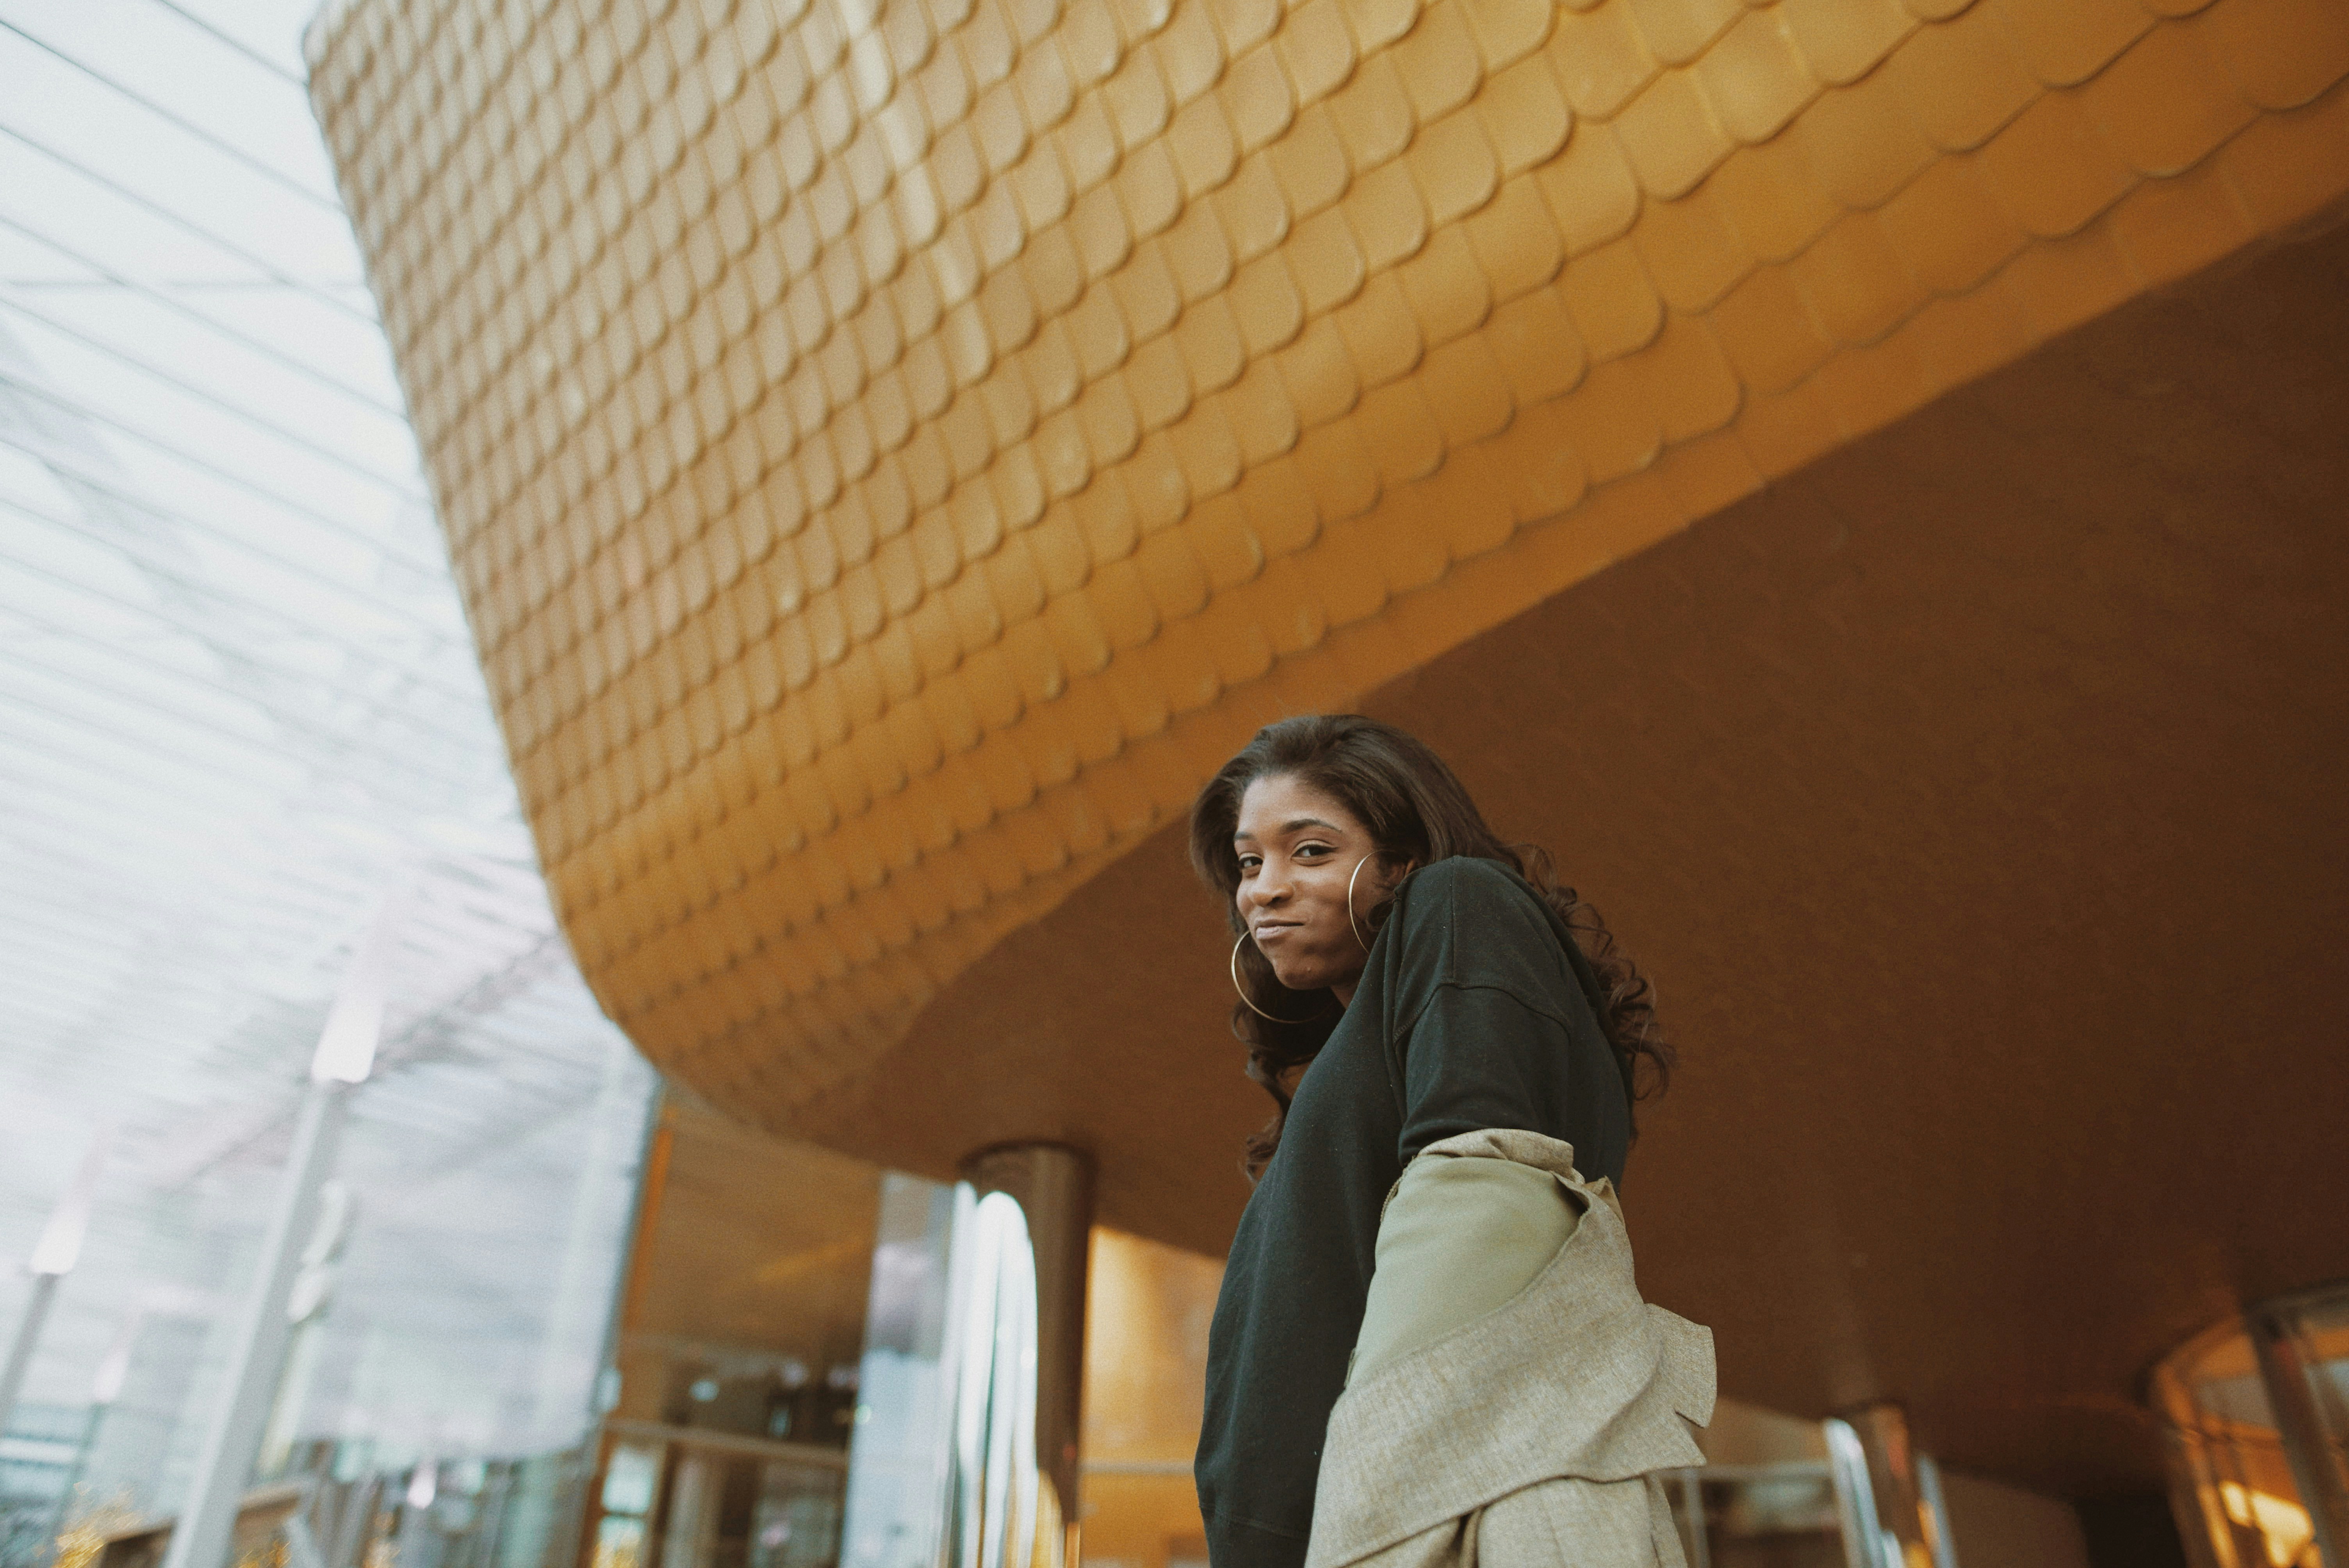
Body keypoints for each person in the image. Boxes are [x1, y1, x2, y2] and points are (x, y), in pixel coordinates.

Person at [1187, 715, 1716, 1568]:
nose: (1264, 890)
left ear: (1400, 862)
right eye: (1249, 863)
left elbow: (1478, 1203)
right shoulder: (1364, 1052)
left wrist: (1375, 1503)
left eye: (1310, 851)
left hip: (1428, 1505)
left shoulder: (1460, 900)